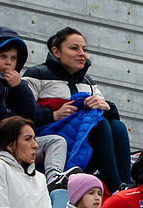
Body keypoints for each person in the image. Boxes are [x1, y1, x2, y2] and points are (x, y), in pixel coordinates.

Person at [26, 28, 131, 191]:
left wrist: (107, 107)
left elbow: (109, 115)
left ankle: (126, 185)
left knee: (118, 126)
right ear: (56, 51)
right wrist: (53, 115)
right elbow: (22, 113)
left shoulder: (88, 82)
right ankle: (115, 185)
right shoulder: (36, 74)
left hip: (83, 143)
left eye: (85, 49)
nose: (82, 54)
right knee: (100, 124)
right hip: (51, 142)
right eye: (74, 48)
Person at [0, 31, 58, 174]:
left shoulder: (20, 85)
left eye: (13, 58)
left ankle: (54, 178)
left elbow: (33, 115)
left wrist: (19, 88)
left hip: (19, 139)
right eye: (3, 56)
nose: (8, 62)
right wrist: (2, 133)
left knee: (56, 142)